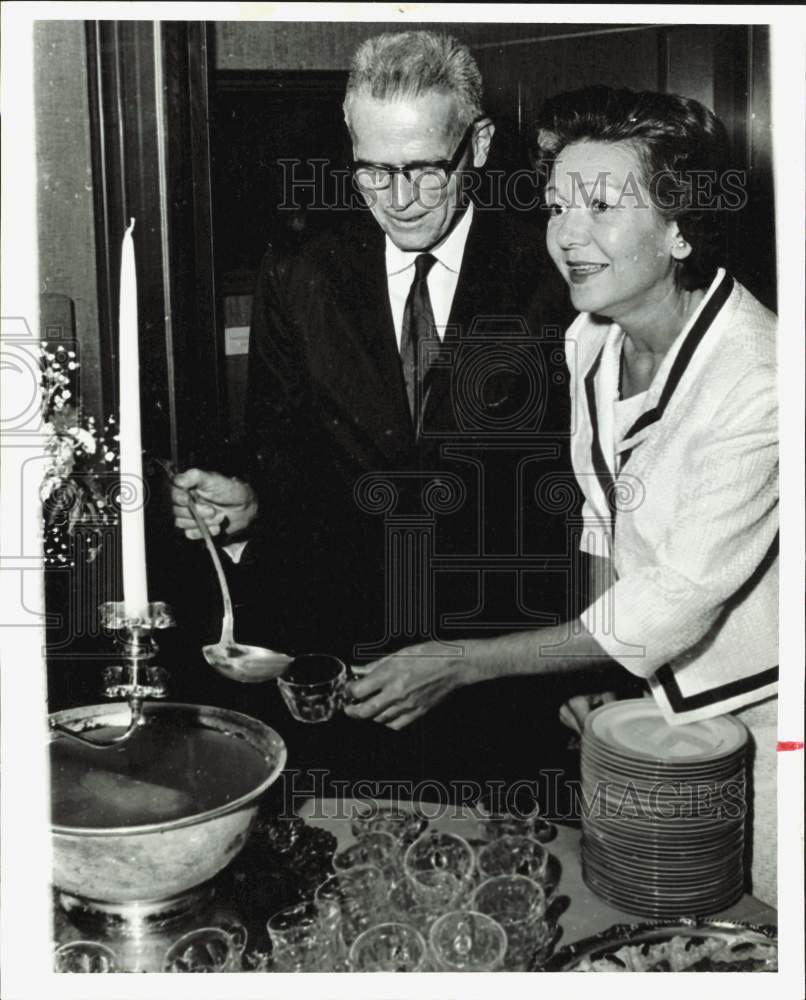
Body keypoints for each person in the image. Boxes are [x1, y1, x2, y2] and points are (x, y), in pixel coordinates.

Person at [347, 86, 778, 903]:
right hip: (643, 712)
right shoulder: (593, 340)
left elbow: (676, 600)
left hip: (763, 726)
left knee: (763, 921)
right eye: (556, 206)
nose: (567, 236)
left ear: (681, 226)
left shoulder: (761, 379)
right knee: (643, 917)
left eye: (603, 207)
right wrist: (599, 680)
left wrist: (468, 662)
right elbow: (598, 519)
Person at [171, 32, 577, 795]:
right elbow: (281, 451)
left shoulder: (553, 271)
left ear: (479, 145)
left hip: (500, 671)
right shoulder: (302, 267)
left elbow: (580, 497)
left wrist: (478, 659)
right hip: (348, 661)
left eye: (425, 167)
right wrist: (247, 505)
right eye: (372, 169)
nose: (397, 197)